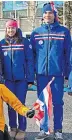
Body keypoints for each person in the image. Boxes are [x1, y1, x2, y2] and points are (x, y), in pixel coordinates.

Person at [30, 3, 72, 139]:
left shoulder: (63, 32)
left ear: (54, 15)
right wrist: (33, 73)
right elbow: (32, 55)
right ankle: (43, 129)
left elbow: (68, 54)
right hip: (41, 74)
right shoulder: (36, 33)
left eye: (50, 13)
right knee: (42, 103)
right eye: (45, 13)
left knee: (58, 103)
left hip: (57, 74)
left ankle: (58, 130)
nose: (48, 15)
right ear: (42, 15)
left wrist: (67, 74)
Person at [0, 19, 34, 139]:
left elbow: (30, 61)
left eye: (12, 28)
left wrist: (30, 79)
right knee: (10, 104)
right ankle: (12, 127)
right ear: (6, 29)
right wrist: (1, 78)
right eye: (8, 28)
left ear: (16, 29)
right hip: (8, 80)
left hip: (21, 80)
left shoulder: (24, 42)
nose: (10, 30)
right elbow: (1, 63)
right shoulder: (2, 43)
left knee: (20, 103)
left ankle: (22, 128)